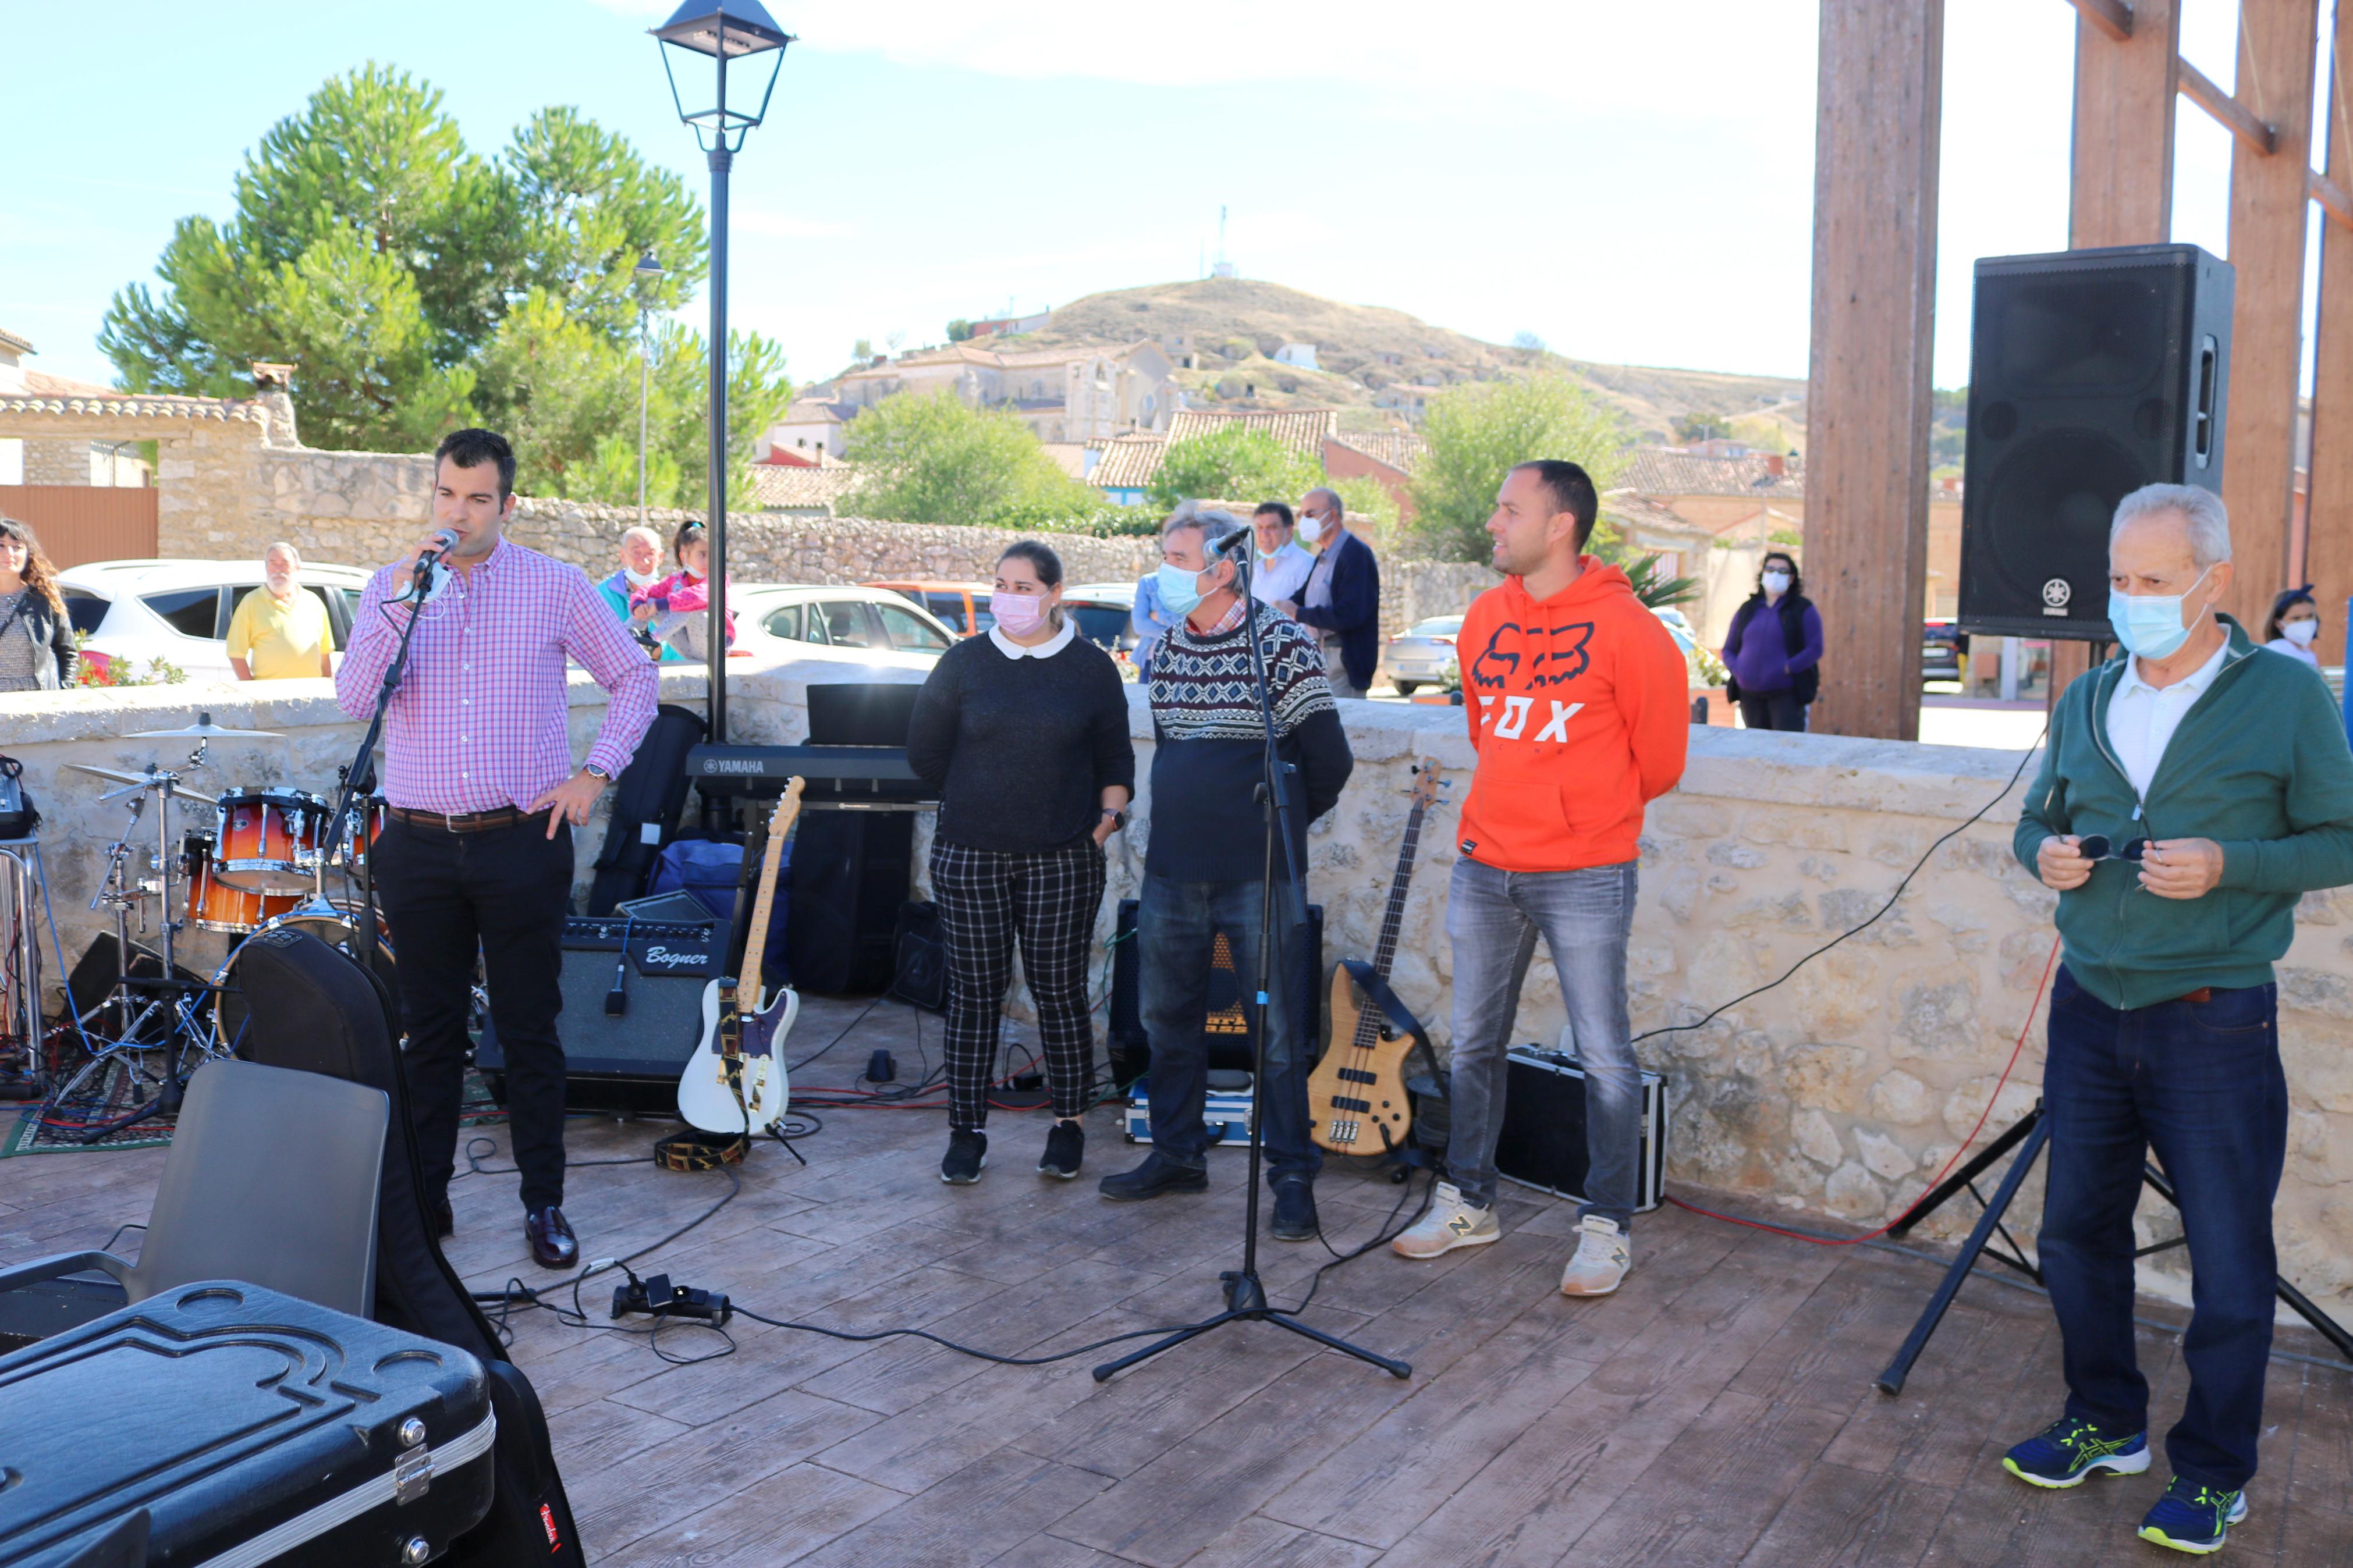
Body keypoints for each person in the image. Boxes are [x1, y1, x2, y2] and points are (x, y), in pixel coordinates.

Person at [2010, 483, 2353, 1555]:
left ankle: (2211, 1473)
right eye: (2119, 579)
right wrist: (2044, 855)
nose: (2130, 599)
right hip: (2086, 1009)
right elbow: (2034, 820)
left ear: (2216, 582)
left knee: (2227, 1257)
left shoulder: (2285, 697)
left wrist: (2229, 866)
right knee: (2072, 1236)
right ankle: (2103, 1422)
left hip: (2213, 1021)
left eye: (2154, 582)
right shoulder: (2086, 696)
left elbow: (2340, 838)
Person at [336, 429, 657, 1271]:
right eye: (447, 494)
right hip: (416, 844)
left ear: (506, 505)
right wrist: (403, 601)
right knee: (429, 1032)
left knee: (529, 1027)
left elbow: (636, 677)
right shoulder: (390, 589)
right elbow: (352, 698)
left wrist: (594, 772)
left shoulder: (554, 587)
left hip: (523, 839)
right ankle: (426, 1200)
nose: (460, 512)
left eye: (478, 498)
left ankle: (543, 1202)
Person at [1391, 460, 1690, 1298]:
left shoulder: (1632, 632)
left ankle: (1604, 1226)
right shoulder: (1485, 616)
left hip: (1586, 871)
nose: (1492, 524)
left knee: (1603, 1054)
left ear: (1559, 524)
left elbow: (1658, 761)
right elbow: (1489, 730)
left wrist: (1578, 813)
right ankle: (1466, 1201)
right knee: (1474, 1041)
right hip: (1487, 864)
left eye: (1507, 510)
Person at [1098, 507, 1353, 1242]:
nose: (1164, 573)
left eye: (1178, 558)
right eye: (1164, 556)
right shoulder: (1170, 647)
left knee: (1275, 1032)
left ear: (1221, 565)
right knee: (1165, 1019)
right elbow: (1175, 748)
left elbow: (1327, 762)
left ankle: (1292, 1175)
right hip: (1174, 868)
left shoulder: (1280, 644)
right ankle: (1177, 1153)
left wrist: (1276, 827)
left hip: (1259, 871)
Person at [906, 541, 1135, 1184]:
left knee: (1059, 995)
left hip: (1062, 860)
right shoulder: (963, 662)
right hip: (969, 856)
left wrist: (1101, 827)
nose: (1009, 596)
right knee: (974, 997)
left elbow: (1117, 764)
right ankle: (966, 1131)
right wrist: (982, 794)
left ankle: (1068, 1126)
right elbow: (924, 753)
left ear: (1054, 593)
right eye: (1000, 584)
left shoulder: (1090, 669)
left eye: (1024, 586)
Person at [1291, 486, 1380, 699]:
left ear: (1332, 514)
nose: (1304, 521)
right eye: (1301, 515)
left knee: (1344, 728)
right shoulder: (1325, 556)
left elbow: (1351, 613)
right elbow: (1302, 596)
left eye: (1309, 514)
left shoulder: (1355, 555)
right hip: (1320, 657)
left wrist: (1299, 613)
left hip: (1342, 661)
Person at [1720, 550, 1821, 731]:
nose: (1775, 575)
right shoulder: (1748, 609)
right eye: (1771, 569)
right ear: (1763, 574)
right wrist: (1739, 671)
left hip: (1786, 693)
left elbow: (1815, 648)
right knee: (1755, 748)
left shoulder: (1802, 609)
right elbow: (1728, 649)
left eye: (1782, 571)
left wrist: (1787, 668)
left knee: (1785, 748)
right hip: (1749, 694)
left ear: (1791, 579)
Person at [630, 521, 737, 663]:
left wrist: (661, 603)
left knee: (688, 603)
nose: (708, 561)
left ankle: (652, 640)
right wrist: (639, 604)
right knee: (650, 602)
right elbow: (649, 591)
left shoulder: (718, 580)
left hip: (714, 647)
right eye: (702, 555)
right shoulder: (676, 580)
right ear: (685, 556)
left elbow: (695, 596)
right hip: (688, 648)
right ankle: (624, 641)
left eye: (712, 555)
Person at [225, 542, 334, 681]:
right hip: (270, 695)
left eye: (285, 563)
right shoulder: (251, 602)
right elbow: (235, 653)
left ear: (297, 568)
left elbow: (324, 652)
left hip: (311, 692)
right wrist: (252, 689)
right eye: (273, 563)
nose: (278, 569)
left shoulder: (314, 602)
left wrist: (326, 686)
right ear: (266, 568)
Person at [0, 517, 77, 693]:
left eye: (17, 547)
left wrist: (64, 693)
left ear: (28, 554)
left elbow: (67, 652)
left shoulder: (44, 598)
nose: (9, 553)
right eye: (1, 546)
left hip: (39, 703)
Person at [597, 525, 677, 662]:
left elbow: (681, 644)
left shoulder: (671, 596)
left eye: (650, 553)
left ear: (660, 557)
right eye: (636, 552)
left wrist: (659, 651)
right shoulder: (602, 594)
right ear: (622, 555)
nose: (644, 561)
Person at [1249, 502, 1316, 611]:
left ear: (1289, 530)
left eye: (1271, 527)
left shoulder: (1306, 565)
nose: (1264, 534)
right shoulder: (1255, 568)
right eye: (1260, 528)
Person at [2262, 583, 2323, 671]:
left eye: (2309, 617)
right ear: (2279, 623)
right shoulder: (2275, 651)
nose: (2305, 623)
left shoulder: (2310, 655)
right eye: (2296, 619)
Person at [1129, 566, 1174, 681]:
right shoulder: (1149, 582)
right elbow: (1140, 626)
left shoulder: (1195, 581)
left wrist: (1158, 616)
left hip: (1182, 660)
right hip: (1151, 661)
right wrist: (1178, 631)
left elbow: (1192, 621)